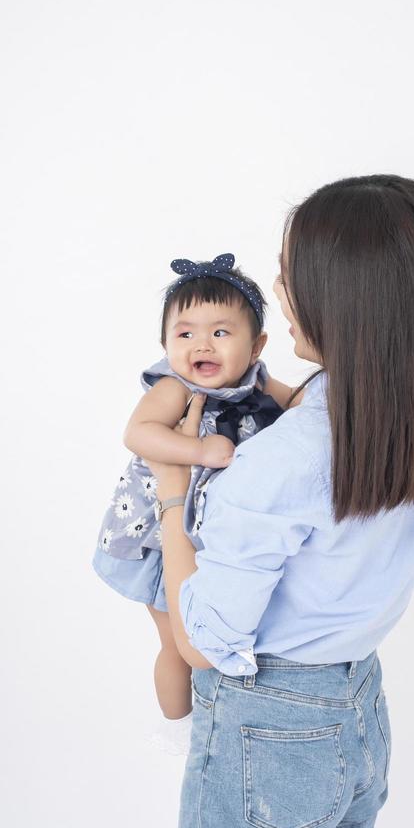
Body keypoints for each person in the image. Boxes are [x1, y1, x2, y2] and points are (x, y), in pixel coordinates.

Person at [143, 175, 414, 828]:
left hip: (268, 724)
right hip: (356, 706)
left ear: (344, 299)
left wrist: (171, 499)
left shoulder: (282, 462)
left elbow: (201, 644)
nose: (278, 290)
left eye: (291, 275)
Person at [92, 254, 295, 753]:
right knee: (177, 644)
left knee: (216, 633)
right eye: (184, 335)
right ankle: (178, 729)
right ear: (166, 345)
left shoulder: (258, 382)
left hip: (211, 540)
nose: (201, 345)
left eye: (221, 333)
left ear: (256, 346)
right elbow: (137, 434)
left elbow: (301, 402)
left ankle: (212, 720)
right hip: (157, 540)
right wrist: (197, 450)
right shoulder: (173, 387)